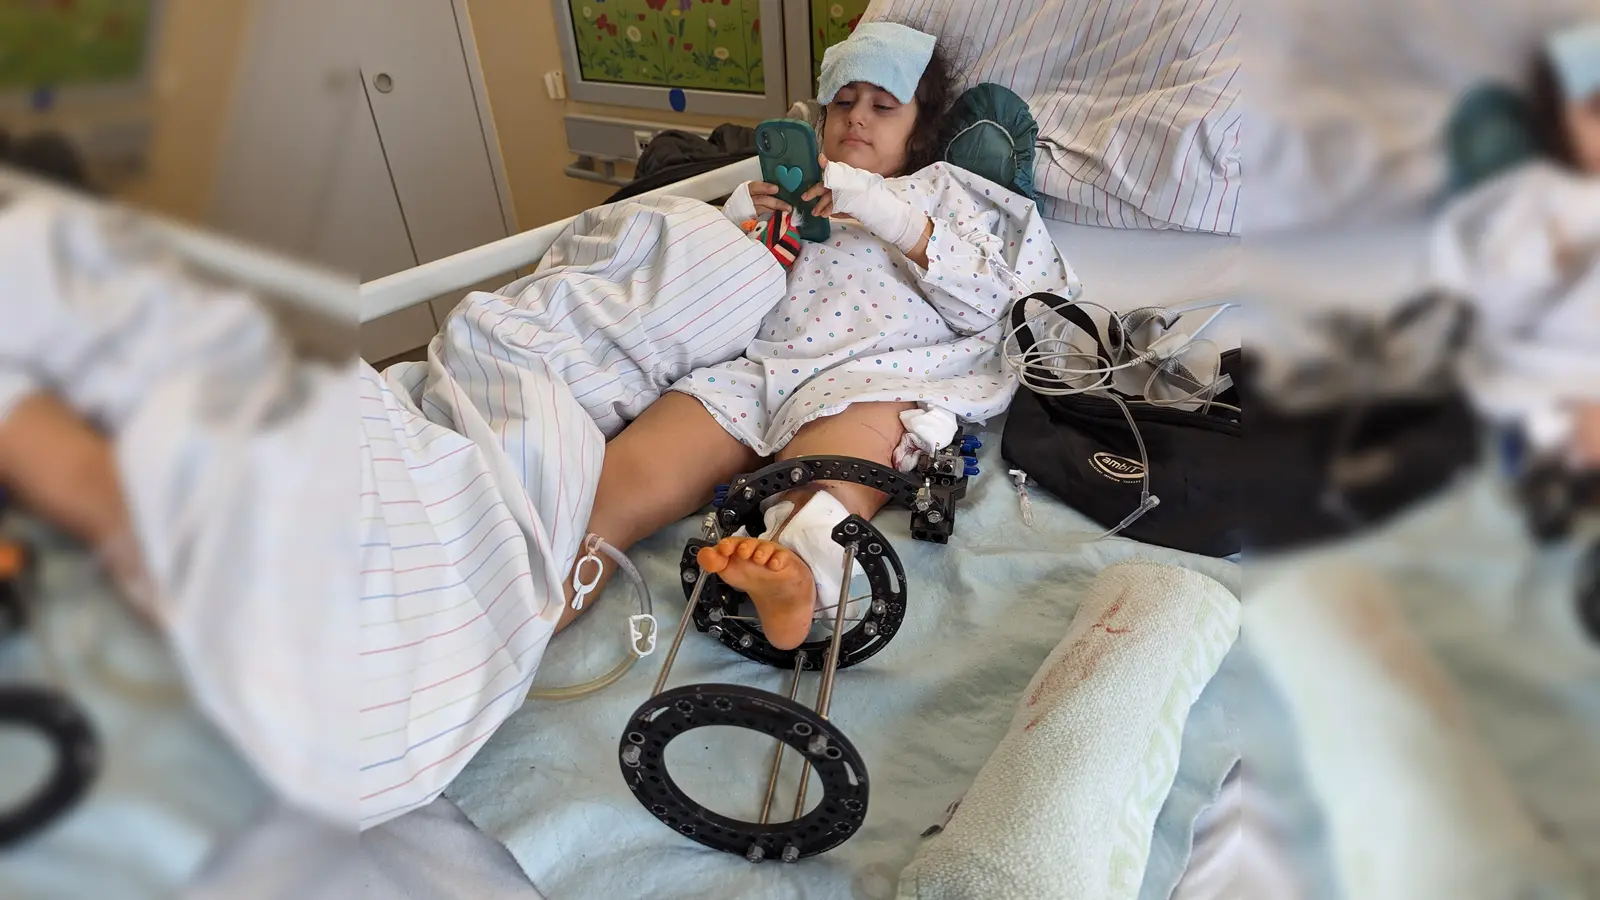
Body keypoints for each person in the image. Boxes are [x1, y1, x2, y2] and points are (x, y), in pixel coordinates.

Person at [556, 22, 1074, 650]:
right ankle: (539, 607)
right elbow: (698, 299)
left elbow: (997, 303)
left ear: (920, 130)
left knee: (823, 487)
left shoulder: (943, 191)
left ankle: (793, 575)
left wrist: (889, 215)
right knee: (618, 486)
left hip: (873, 376)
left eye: (883, 106)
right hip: (755, 370)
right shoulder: (788, 195)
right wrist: (732, 225)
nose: (858, 117)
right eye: (843, 102)